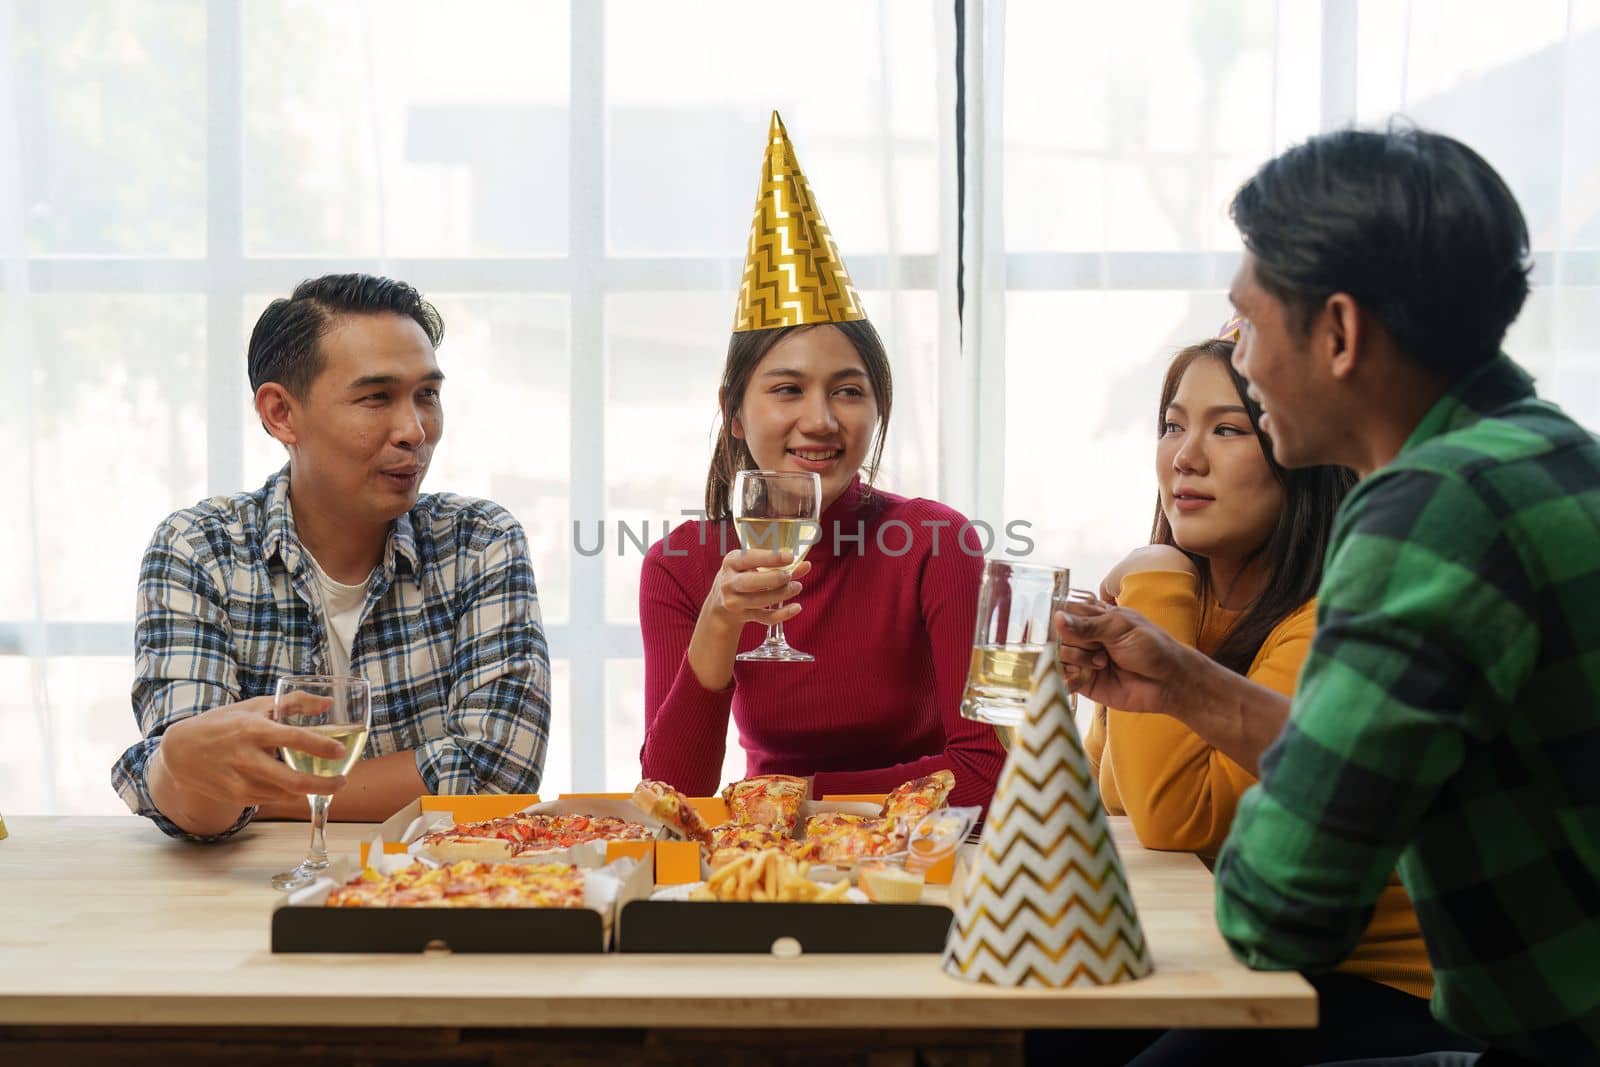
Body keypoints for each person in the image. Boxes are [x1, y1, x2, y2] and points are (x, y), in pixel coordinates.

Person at [1057, 125, 1600, 1064]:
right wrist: (1188, 683)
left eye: (1250, 324)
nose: (1247, 358)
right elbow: (1415, 757)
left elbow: (1279, 911)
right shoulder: (1550, 453)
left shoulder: (1428, 514)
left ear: (1340, 333)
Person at [1070, 333, 1480, 1064]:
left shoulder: (1324, 621)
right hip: (1243, 953)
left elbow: (1178, 823)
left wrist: (1158, 579)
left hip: (1383, 982)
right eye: (1172, 424)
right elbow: (1113, 799)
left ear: (1300, 458)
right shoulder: (1192, 607)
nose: (1184, 457)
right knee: (1026, 1037)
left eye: (1228, 429)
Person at [638, 112, 1004, 807]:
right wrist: (719, 623)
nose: (822, 419)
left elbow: (983, 771)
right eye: (787, 389)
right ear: (735, 413)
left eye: (848, 391)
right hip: (767, 863)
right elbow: (670, 798)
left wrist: (791, 795)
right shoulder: (680, 566)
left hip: (917, 856)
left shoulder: (937, 543)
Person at [112, 274, 551, 841]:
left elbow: (497, 779)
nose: (414, 431)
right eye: (376, 398)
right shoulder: (199, 549)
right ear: (280, 414)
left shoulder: (480, 542)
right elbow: (200, 797)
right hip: (250, 898)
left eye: (427, 395)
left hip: (433, 894)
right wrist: (188, 771)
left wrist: (260, 793)